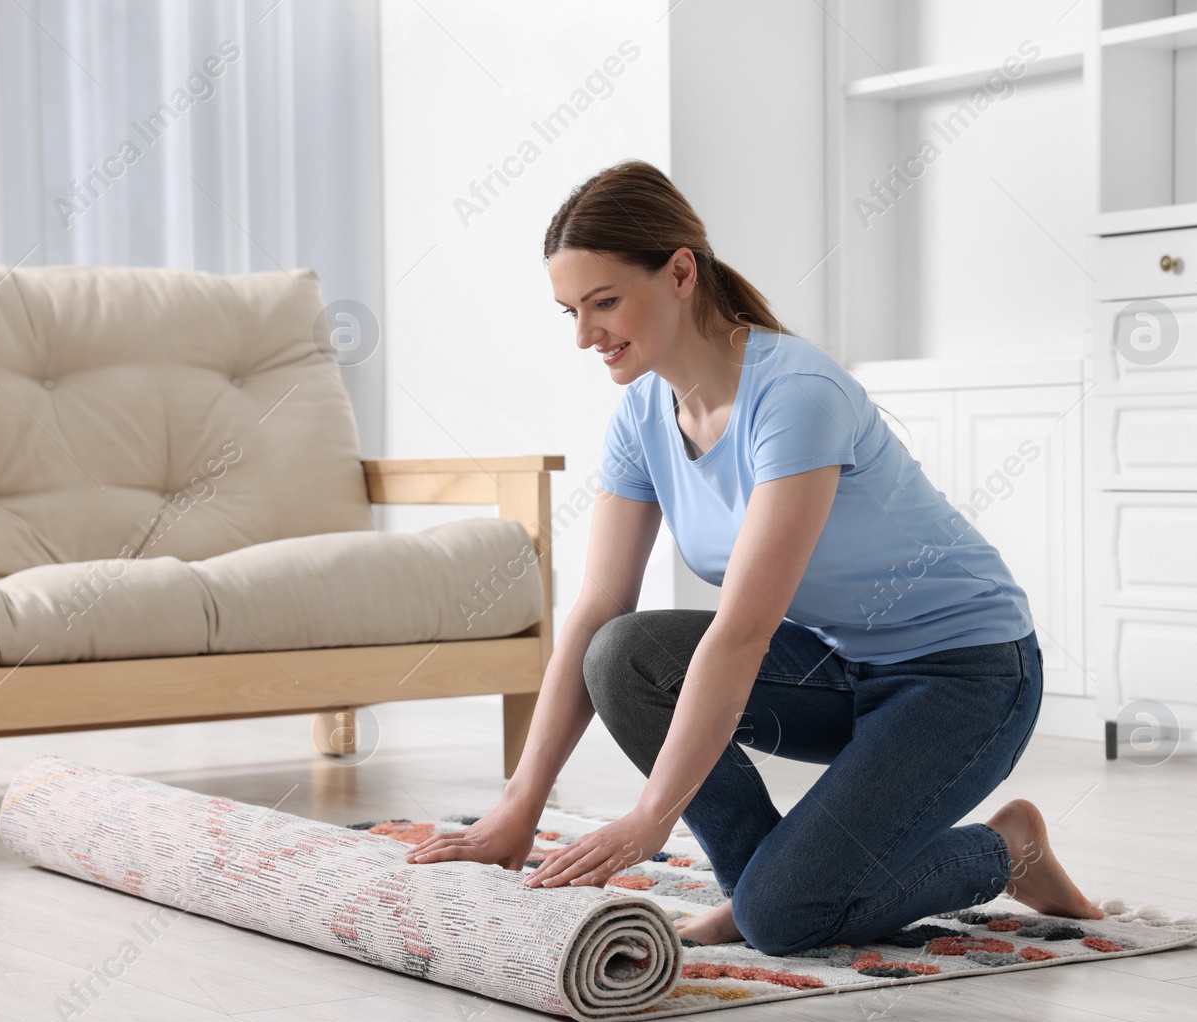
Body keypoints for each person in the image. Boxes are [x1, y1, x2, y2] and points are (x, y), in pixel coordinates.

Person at [404, 159, 1103, 955]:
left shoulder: (795, 395)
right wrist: (519, 805)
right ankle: (772, 884)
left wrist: (648, 819)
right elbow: (600, 606)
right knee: (620, 654)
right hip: (839, 671)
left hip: (967, 677)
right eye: (570, 309)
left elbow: (739, 632)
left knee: (785, 920)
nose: (584, 335)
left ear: (679, 273)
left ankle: (1007, 849)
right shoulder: (640, 414)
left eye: (604, 302)